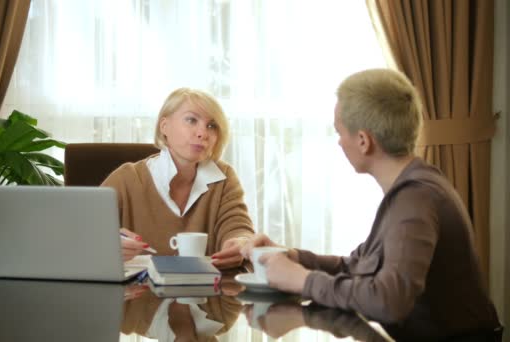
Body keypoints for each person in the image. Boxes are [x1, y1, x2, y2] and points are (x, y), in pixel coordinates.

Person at [240, 69, 502, 340]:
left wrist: (302, 281)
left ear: (364, 141)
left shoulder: (415, 200)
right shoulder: (412, 188)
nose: (339, 142)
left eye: (339, 132)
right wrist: (293, 257)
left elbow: (388, 302)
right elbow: (359, 265)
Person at [101, 87, 254, 269]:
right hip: (137, 293)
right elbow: (83, 232)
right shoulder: (127, 178)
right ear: (164, 126)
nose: (203, 133)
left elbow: (237, 226)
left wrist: (241, 242)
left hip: (203, 294)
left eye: (211, 126)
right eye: (191, 120)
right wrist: (107, 243)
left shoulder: (224, 177)